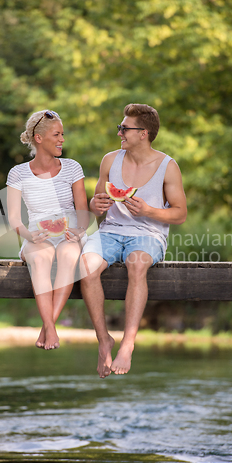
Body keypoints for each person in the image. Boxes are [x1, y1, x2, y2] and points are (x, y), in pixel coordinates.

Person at [81, 103, 187, 378]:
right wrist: (96, 203)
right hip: (111, 232)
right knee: (87, 266)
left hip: (149, 235)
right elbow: (95, 206)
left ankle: (128, 344)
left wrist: (149, 211)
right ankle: (104, 339)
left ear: (144, 133)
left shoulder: (168, 166)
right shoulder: (109, 160)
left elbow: (180, 214)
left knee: (137, 264)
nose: (119, 133)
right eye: (120, 127)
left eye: (124, 128)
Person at [6, 110, 89, 350]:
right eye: (57, 134)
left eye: (63, 134)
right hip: (35, 235)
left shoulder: (73, 168)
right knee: (41, 259)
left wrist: (80, 230)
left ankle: (47, 326)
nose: (62, 139)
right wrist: (29, 235)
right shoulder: (18, 173)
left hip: (69, 234)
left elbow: (82, 210)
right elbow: (13, 218)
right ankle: (51, 327)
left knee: (68, 254)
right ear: (39, 138)